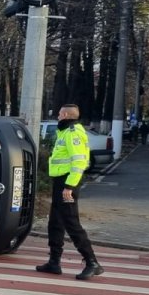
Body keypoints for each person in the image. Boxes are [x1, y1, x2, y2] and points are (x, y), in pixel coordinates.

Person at [36, 104, 104, 280]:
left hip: (68, 182)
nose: (57, 116)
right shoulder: (65, 132)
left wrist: (70, 187)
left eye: (59, 114)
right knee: (55, 222)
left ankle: (92, 262)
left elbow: (80, 162)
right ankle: (54, 262)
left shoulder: (73, 133)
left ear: (65, 115)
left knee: (71, 222)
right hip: (61, 182)